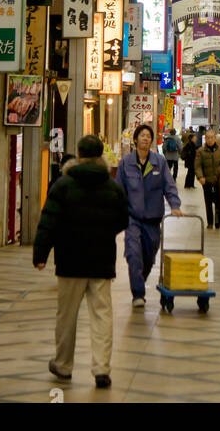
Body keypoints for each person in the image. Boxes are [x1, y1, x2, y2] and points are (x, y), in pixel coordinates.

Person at [33, 134, 129, 389]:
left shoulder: (63, 185)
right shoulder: (112, 186)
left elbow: (48, 222)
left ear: (78, 154)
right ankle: (101, 369)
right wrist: (104, 232)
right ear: (100, 156)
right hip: (101, 262)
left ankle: (64, 366)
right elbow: (123, 220)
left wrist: (40, 255)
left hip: (70, 261)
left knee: (66, 317)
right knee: (102, 316)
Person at [114, 122, 182, 307]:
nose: (145, 138)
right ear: (135, 139)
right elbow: (118, 190)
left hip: (153, 219)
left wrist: (174, 205)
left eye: (148, 136)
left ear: (152, 141)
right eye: (142, 135)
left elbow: (169, 185)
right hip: (132, 218)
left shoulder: (158, 162)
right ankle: (138, 294)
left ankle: (139, 280)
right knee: (133, 254)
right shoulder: (125, 163)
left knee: (149, 256)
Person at [195, 128, 220, 229]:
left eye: (211, 138)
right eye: (207, 138)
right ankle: (210, 222)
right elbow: (197, 166)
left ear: (215, 138)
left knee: (219, 202)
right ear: (205, 139)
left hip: (219, 181)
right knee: (208, 202)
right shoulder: (200, 151)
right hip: (207, 181)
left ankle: (218, 223)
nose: (209, 140)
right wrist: (200, 177)